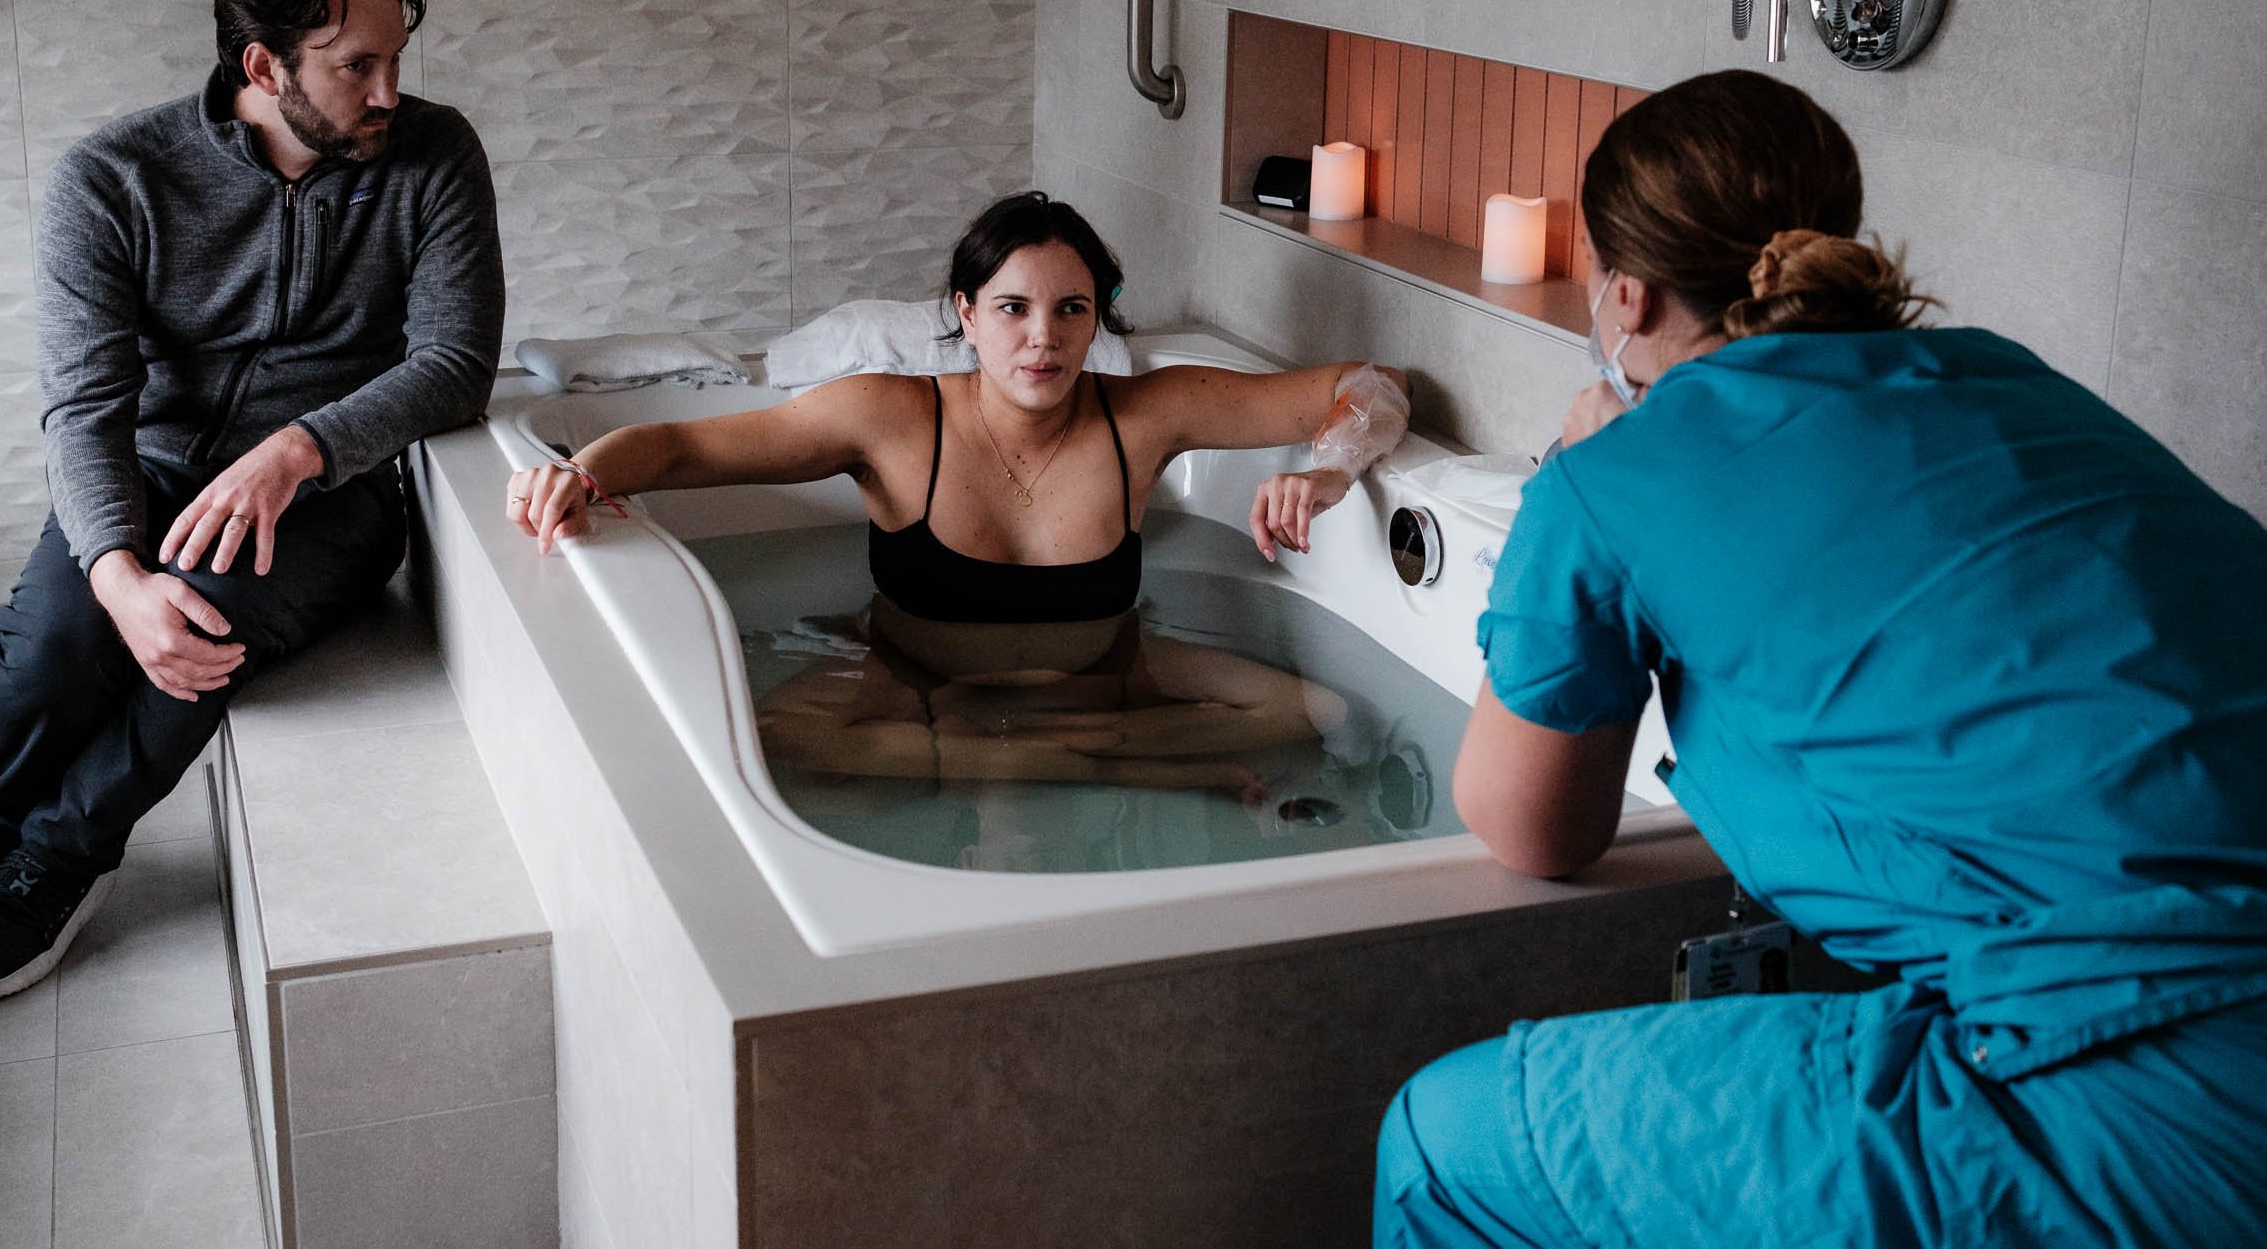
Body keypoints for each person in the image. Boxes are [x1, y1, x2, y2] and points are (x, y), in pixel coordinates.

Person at [1375, 71, 2267, 1247]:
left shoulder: (1611, 479)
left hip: (2155, 1092)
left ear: (1624, 295)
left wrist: (1569, 479)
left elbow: (1527, 823)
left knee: (1439, 1147)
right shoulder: (2005, 377)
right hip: (2172, 1002)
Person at [0, 0, 506, 999]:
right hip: (158, 468)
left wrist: (301, 449)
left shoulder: (432, 154)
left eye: (395, 59)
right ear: (265, 64)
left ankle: (63, 859)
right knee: (49, 640)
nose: (387, 90)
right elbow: (84, 406)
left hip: (333, 492)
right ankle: (0, 828)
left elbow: (454, 361)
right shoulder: (113, 177)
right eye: (355, 64)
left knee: (202, 619)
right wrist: (117, 575)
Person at [506, 192, 1410, 793]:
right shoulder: (890, 420)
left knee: (1315, 710)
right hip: (916, 683)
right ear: (966, 313)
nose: (1043, 340)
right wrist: (582, 475)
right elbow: (676, 446)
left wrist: (1326, 470)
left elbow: (1371, 387)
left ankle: (1050, 757)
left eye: (1072, 309)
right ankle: (1105, 766)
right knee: (767, 739)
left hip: (1105, 680)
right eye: (1013, 308)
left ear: (1099, 315)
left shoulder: (1146, 415)